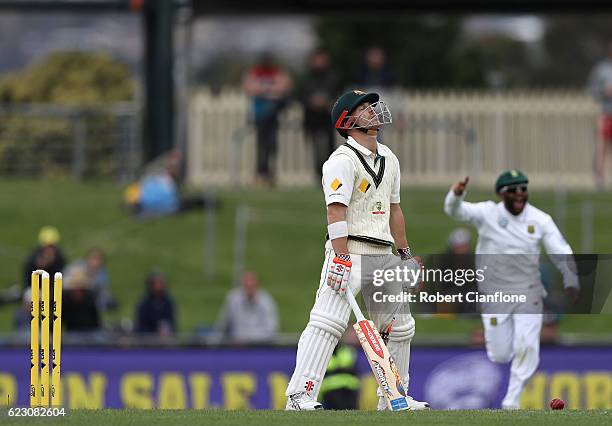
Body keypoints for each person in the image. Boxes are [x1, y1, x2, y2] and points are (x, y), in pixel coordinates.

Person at [285, 90, 429, 411]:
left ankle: (394, 397)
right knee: (328, 323)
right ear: (347, 121)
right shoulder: (341, 161)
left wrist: (405, 255)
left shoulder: (390, 159)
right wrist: (339, 256)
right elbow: (335, 211)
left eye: (372, 106)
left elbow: (395, 211)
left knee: (400, 327)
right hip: (350, 250)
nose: (373, 112)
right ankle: (300, 395)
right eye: (364, 108)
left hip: (385, 253)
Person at [443, 172, 579, 409]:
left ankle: (512, 400)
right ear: (501, 193)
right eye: (513, 190)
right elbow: (455, 211)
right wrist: (456, 195)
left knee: (527, 343)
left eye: (523, 189)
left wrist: (570, 276)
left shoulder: (540, 219)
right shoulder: (488, 213)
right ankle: (511, 353)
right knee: (500, 353)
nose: (519, 194)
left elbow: (560, 248)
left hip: (529, 290)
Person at [243, 53, 292, 186]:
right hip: (259, 115)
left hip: (273, 114)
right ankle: (261, 174)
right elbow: (250, 88)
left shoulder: (277, 72)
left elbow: (283, 86)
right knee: (261, 145)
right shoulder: (255, 72)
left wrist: (264, 89)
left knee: (272, 145)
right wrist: (270, 90)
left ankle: (271, 174)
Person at [299, 48, 339, 179]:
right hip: (312, 118)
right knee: (317, 147)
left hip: (328, 118)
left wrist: (326, 101)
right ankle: (319, 175)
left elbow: (337, 94)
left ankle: (331, 175)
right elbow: (300, 95)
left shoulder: (332, 76)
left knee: (330, 147)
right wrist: (312, 101)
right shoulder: (306, 77)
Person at [215, 271, 278, 344]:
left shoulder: (266, 301)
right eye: (246, 286)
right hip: (237, 345)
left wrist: (252, 340)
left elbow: (271, 328)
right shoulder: (233, 299)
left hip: (260, 345)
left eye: (251, 286)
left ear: (256, 285)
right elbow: (222, 324)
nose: (248, 290)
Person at [588, 41, 612, 188]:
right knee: (601, 147)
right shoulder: (601, 69)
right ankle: (599, 179)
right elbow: (593, 90)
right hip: (606, 114)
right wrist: (605, 91)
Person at [319, 328, 360, 410]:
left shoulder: (346, 350)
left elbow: (347, 366)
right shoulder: (345, 350)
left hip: (348, 390)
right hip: (330, 391)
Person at [65, 248, 115, 313]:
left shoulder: (102, 273)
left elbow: (105, 295)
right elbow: (65, 282)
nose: (96, 262)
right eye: (94, 258)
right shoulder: (76, 268)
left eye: (99, 259)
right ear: (87, 259)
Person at [135, 271, 176, 337]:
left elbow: (173, 323)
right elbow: (140, 326)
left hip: (165, 338)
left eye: (161, 283)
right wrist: (155, 334)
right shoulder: (144, 303)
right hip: (147, 338)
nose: (159, 286)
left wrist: (167, 331)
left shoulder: (168, 302)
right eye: (156, 283)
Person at [62, 266, 101, 332]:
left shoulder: (90, 297)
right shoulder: (65, 300)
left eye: (80, 288)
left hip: (93, 331)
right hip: (74, 332)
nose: (77, 290)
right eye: (75, 287)